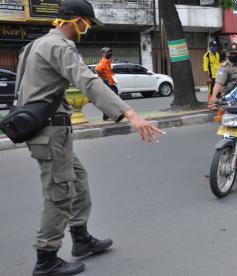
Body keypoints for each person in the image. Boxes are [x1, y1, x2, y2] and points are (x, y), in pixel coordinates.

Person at [16, 0, 164, 275]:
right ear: (74, 21)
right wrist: (130, 114)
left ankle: (81, 238)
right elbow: (88, 81)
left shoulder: (32, 46)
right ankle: (46, 258)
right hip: (49, 131)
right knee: (59, 193)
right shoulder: (59, 46)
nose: (87, 29)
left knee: (78, 179)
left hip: (48, 129)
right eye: (87, 23)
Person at [209, 42, 237, 121]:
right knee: (229, 125)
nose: (234, 56)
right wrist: (213, 98)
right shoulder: (224, 67)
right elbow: (218, 83)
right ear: (227, 54)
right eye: (231, 54)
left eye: (236, 53)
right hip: (229, 101)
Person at [96, 47, 118, 120]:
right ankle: (108, 115)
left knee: (110, 99)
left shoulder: (107, 61)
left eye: (110, 52)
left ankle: (107, 115)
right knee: (110, 99)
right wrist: (103, 76)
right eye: (107, 52)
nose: (109, 53)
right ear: (103, 54)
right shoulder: (103, 61)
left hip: (109, 82)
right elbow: (98, 69)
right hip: (105, 82)